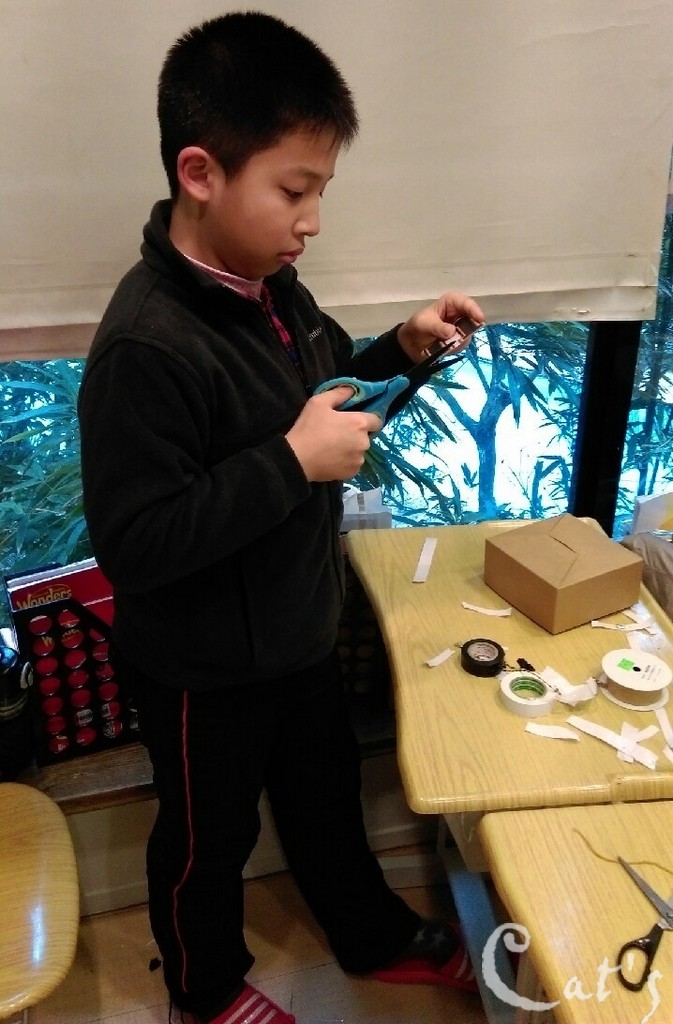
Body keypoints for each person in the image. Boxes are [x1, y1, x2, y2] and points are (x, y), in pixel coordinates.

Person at [77, 11, 485, 1024]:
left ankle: (368, 930)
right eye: (294, 191)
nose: (311, 220)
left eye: (320, 193)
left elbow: (331, 394)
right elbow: (136, 543)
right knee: (203, 842)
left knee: (325, 795)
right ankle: (205, 988)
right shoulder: (146, 346)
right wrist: (289, 463)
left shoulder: (272, 287)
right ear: (201, 173)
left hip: (297, 630)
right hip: (199, 668)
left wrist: (403, 351)